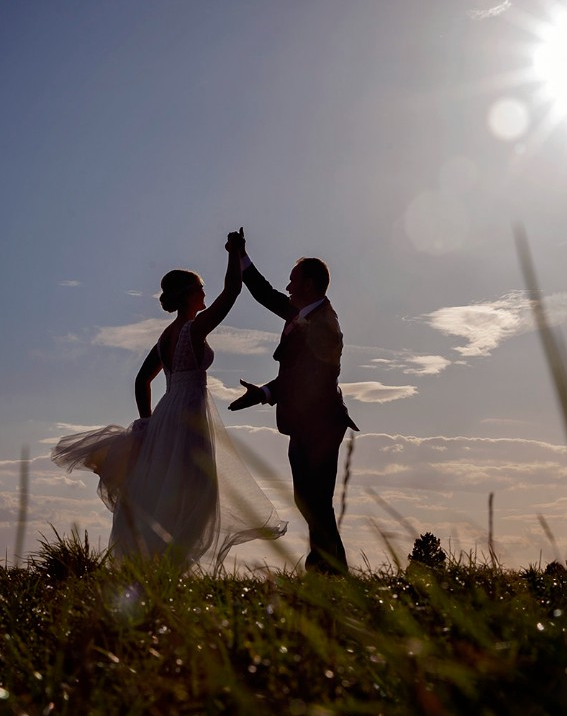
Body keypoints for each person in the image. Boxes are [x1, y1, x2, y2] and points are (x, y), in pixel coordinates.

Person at [52, 232, 287, 568]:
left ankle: (159, 564)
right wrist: (235, 254)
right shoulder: (193, 329)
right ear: (190, 295)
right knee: (197, 492)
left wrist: (148, 422)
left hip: (166, 414)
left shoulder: (166, 337)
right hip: (188, 415)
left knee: (166, 490)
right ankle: (168, 564)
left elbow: (141, 381)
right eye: (201, 286)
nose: (205, 291)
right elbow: (232, 292)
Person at [229, 231, 357, 574]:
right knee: (309, 500)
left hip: (322, 425)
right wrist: (241, 255)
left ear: (311, 285)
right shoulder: (301, 313)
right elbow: (265, 294)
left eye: (293, 281)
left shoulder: (325, 326)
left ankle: (330, 570)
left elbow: (307, 379)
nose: (287, 288)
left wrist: (265, 393)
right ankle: (326, 567)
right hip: (305, 423)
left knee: (316, 502)